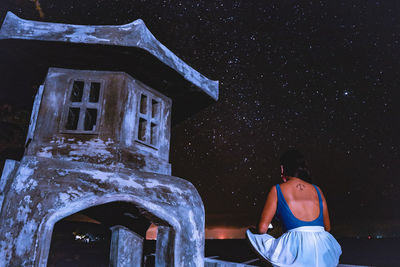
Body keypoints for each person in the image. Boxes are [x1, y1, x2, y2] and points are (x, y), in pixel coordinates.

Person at [246, 149, 342, 267]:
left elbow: (262, 229)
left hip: (296, 253)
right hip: (324, 253)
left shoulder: (277, 190)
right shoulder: (317, 190)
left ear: (282, 168)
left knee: (250, 233)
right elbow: (327, 228)